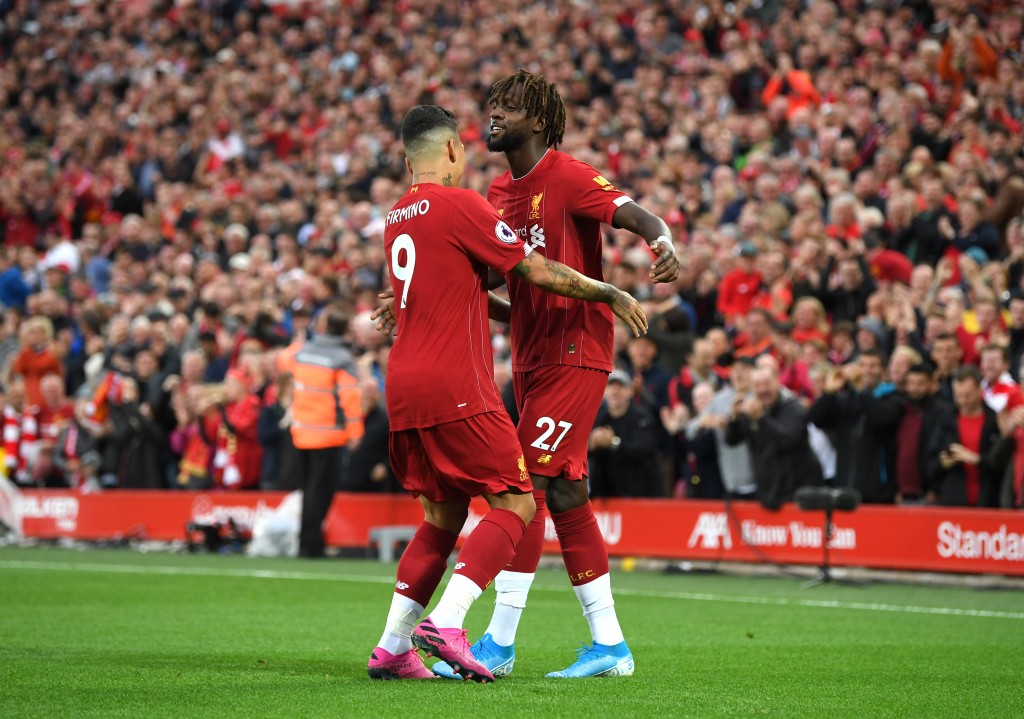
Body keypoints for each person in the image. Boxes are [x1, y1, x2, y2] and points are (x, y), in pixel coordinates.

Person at [367, 105, 648, 682]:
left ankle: (392, 647)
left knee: (443, 516)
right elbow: (535, 271)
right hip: (455, 385)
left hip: (402, 388)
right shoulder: (463, 204)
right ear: (451, 150)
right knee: (518, 501)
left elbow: (459, 293)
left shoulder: (396, 217)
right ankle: (451, 622)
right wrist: (607, 293)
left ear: (406, 159)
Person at [449, 69, 677, 680]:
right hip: (530, 357)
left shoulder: (569, 175)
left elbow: (633, 213)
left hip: (577, 351)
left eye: (510, 106)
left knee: (523, 486)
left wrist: (662, 241)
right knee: (568, 494)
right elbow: (497, 281)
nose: (495, 113)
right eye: (493, 103)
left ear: (540, 120)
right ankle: (611, 646)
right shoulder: (499, 191)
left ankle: (498, 641)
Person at [277, 303, 365, 558]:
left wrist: (300, 340)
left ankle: (306, 542)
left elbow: (284, 362)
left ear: (324, 326)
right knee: (321, 492)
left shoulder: (304, 351)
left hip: (301, 432)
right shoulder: (342, 358)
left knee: (308, 491)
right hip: (328, 435)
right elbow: (349, 399)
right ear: (346, 330)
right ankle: (311, 545)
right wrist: (355, 433)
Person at [725, 365, 823, 509]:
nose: (763, 389)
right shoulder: (751, 413)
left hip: (800, 491)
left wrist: (761, 419)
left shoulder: (794, 409)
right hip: (769, 492)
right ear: (751, 388)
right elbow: (731, 440)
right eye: (757, 385)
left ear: (777, 382)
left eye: (767, 384)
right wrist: (734, 419)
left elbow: (787, 441)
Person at [587, 370, 663, 498]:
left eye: (621, 387)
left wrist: (613, 442)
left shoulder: (642, 417)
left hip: (638, 494)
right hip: (605, 495)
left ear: (630, 391)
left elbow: (644, 449)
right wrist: (591, 445)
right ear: (604, 392)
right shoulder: (598, 418)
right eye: (610, 386)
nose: (615, 392)